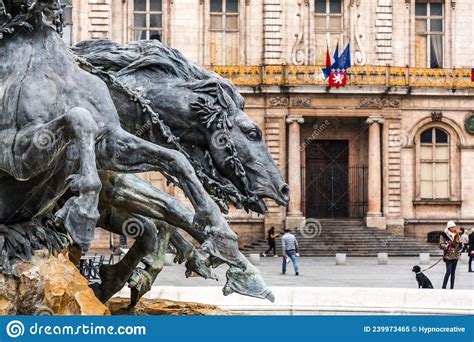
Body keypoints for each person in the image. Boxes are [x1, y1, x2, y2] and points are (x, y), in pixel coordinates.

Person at [439, 221, 462, 289]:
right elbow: (441, 245)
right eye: (452, 227)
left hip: (455, 255)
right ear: (449, 227)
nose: (454, 228)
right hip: (448, 256)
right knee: (448, 271)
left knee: (453, 272)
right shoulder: (444, 235)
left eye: (454, 227)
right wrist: (447, 246)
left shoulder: (457, 234)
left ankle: (452, 287)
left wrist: (461, 245)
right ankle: (443, 287)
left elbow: (459, 245)